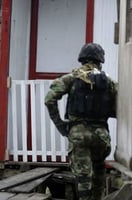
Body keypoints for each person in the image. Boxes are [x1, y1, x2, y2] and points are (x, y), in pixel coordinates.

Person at [45, 43, 117, 200]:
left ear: (82, 59)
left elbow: (49, 99)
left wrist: (61, 125)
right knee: (99, 172)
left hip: (78, 135)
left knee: (83, 179)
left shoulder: (72, 78)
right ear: (100, 60)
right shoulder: (109, 82)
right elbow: (121, 106)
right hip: (101, 136)